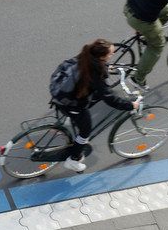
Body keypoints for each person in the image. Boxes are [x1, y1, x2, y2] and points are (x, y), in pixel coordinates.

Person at [56, 39, 139, 172]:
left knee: (94, 95)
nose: (112, 55)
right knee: (85, 133)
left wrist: (106, 67)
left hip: (61, 93)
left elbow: (94, 73)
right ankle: (73, 160)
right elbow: (109, 98)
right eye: (111, 54)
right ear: (102, 56)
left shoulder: (86, 56)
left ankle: (70, 117)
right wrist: (129, 105)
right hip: (71, 103)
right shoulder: (95, 72)